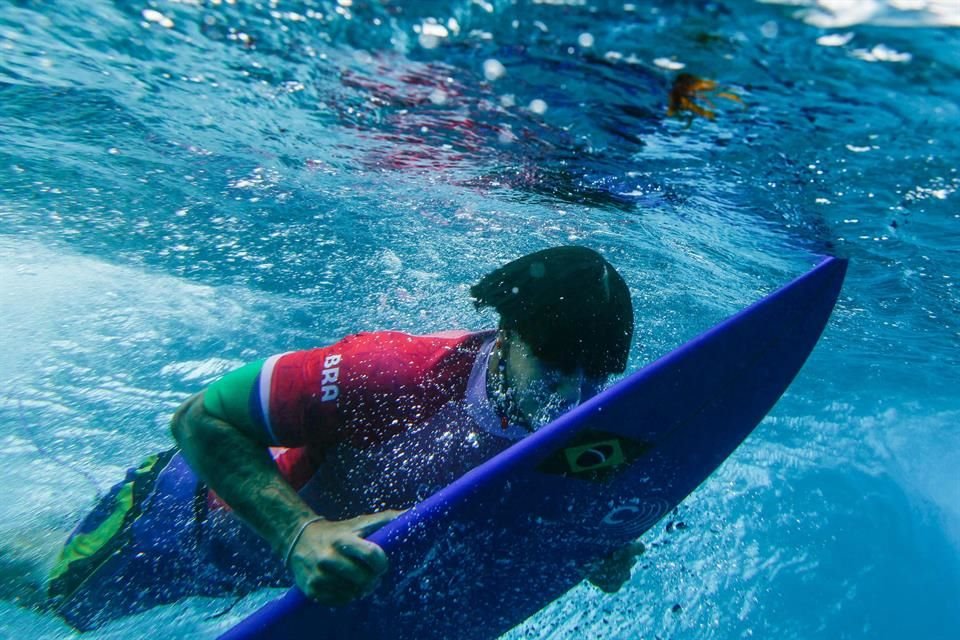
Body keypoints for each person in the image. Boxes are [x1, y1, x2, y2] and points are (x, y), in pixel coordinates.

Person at [42, 246, 643, 631]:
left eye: (600, 378)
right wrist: (299, 533)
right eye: (559, 370)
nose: (578, 399)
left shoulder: (578, 422)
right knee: (42, 595)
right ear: (508, 332)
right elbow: (199, 418)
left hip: (262, 574)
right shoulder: (393, 372)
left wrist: (581, 548)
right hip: (177, 524)